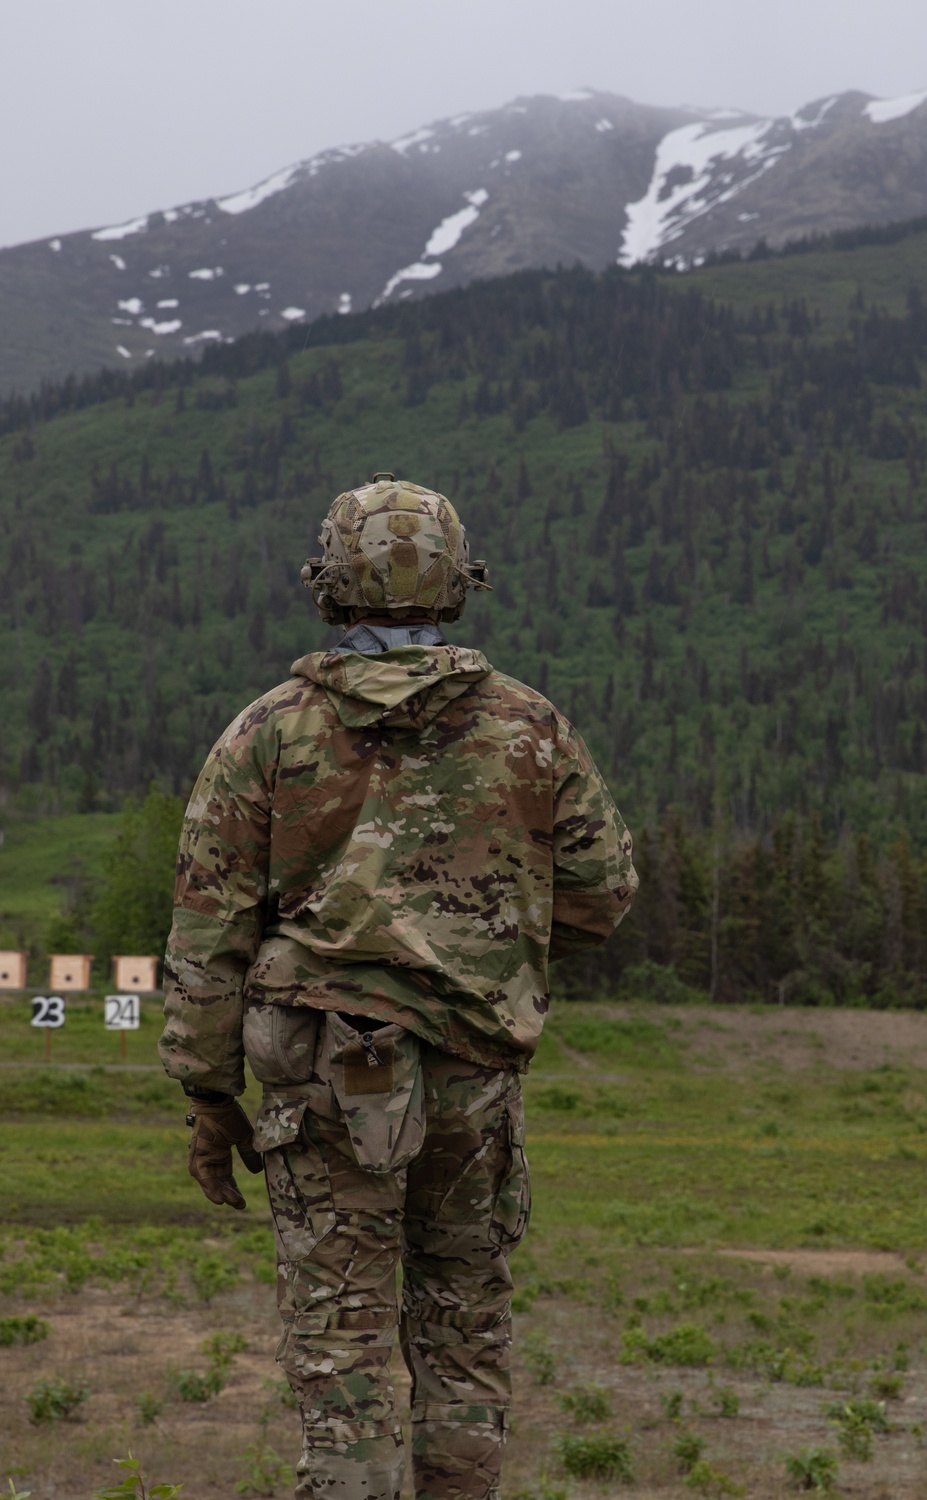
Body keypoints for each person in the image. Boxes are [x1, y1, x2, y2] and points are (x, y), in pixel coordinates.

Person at [158, 473, 637, 1500]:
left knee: (343, 1348)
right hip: (474, 1070)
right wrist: (484, 947)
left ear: (328, 583)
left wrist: (207, 1096)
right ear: (459, 583)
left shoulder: (268, 733)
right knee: (463, 1330)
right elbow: (600, 897)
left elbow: (209, 931)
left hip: (320, 1076)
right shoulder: (532, 729)